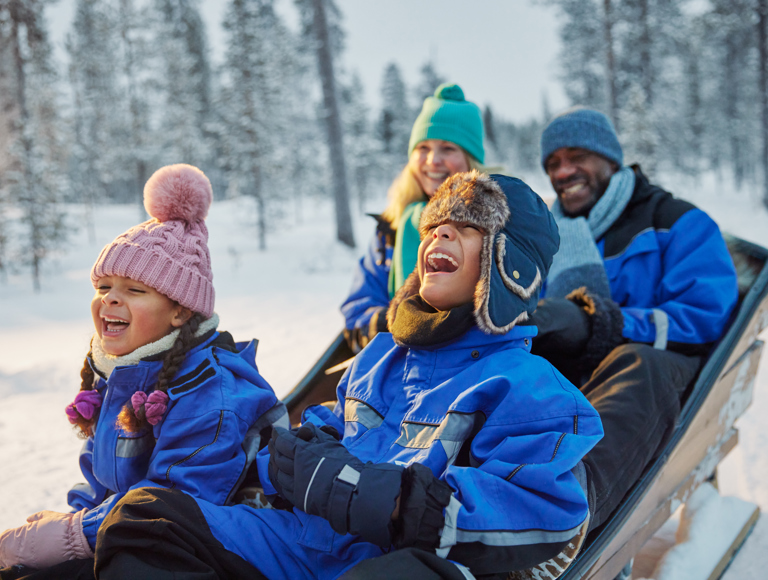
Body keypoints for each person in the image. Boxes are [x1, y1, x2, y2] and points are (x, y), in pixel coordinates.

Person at [93, 171, 604, 580]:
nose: (440, 234)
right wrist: (297, 455)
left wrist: (382, 496)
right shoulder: (379, 358)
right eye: (435, 227)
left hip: (403, 562)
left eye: (468, 228)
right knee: (147, 518)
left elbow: (545, 514)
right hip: (307, 545)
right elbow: (328, 431)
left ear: (508, 264)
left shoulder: (529, 386)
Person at [0, 165, 286, 576]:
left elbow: (172, 505)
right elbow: (101, 478)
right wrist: (64, 525)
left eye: (134, 290)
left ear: (180, 311)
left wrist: (70, 535)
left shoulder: (213, 396)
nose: (110, 300)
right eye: (103, 288)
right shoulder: (125, 374)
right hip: (133, 534)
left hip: (212, 552)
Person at [530, 107, 739, 538]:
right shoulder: (547, 238)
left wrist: (607, 323)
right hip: (580, 374)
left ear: (610, 158)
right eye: (552, 163)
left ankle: (565, 518)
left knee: (636, 362)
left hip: (663, 371)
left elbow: (705, 315)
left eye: (576, 157)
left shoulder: (676, 221)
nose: (563, 171)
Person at [341, 82, 486, 352]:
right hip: (398, 360)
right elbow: (358, 306)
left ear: (471, 160)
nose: (433, 161)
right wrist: (388, 323)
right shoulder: (391, 229)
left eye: (448, 149)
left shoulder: (496, 224)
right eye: (423, 149)